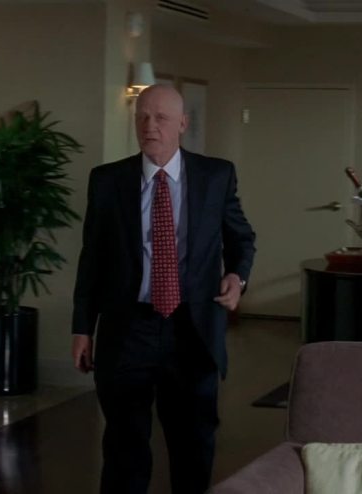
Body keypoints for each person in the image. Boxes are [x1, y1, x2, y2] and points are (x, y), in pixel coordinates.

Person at [71, 84, 256, 494]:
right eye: (142, 117)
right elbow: (92, 258)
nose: (149, 126)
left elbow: (241, 238)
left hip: (192, 328)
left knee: (193, 444)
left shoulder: (215, 175)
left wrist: (237, 276)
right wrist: (82, 327)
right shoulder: (108, 180)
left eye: (160, 118)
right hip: (128, 328)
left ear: (182, 124)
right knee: (124, 447)